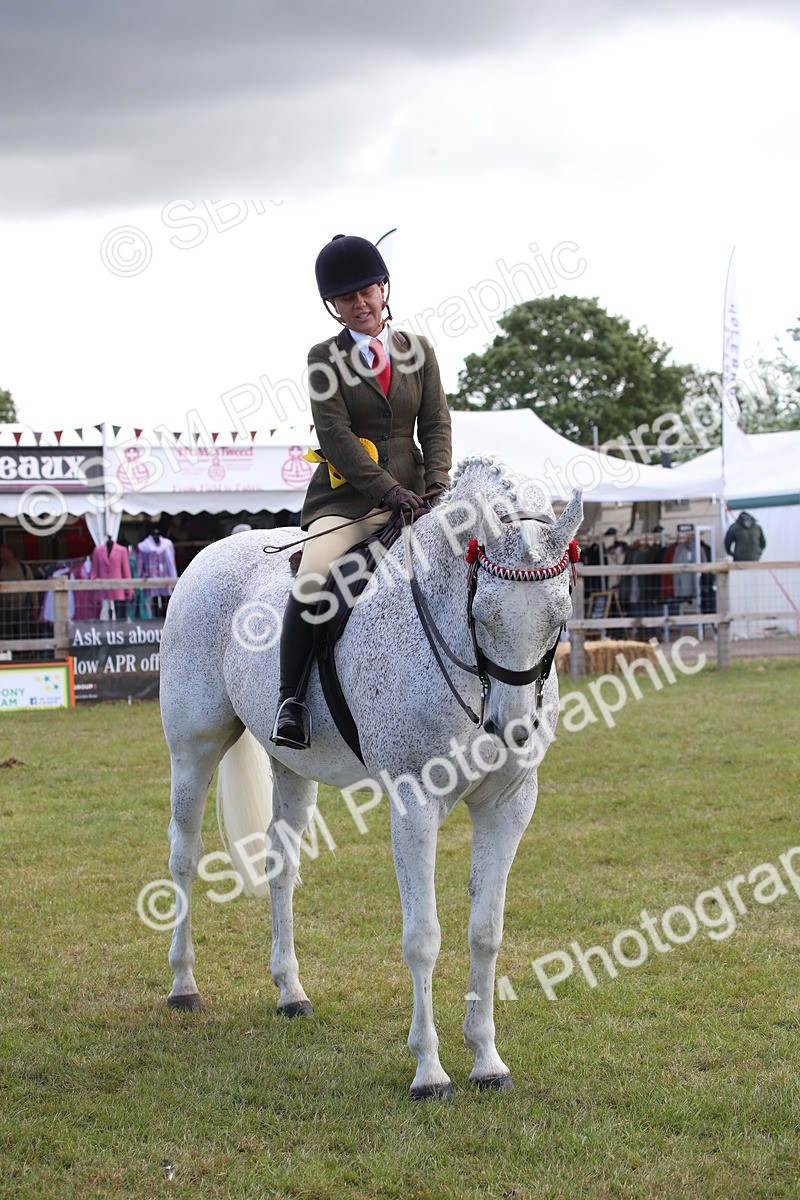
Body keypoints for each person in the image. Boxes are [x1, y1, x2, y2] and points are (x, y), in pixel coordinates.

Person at [271, 233, 452, 750]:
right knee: (313, 574)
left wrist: (437, 483)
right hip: (348, 502)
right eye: (347, 298)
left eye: (367, 291)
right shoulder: (323, 358)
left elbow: (436, 423)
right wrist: (387, 490)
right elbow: (337, 437)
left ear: (384, 288)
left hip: (421, 498)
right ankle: (291, 700)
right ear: (334, 306)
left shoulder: (418, 351)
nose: (359, 303)